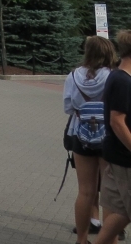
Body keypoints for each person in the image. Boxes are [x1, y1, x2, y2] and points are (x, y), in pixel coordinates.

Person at [65, 35, 116, 244]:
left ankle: (82, 239)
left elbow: (68, 107)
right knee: (108, 193)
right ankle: (109, 239)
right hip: (109, 137)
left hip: (81, 135)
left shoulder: (73, 75)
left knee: (85, 191)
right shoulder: (113, 76)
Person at [97, 30, 131, 244]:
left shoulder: (119, 76)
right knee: (123, 212)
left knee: (116, 210)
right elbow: (117, 121)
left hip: (115, 153)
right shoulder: (123, 81)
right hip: (124, 157)